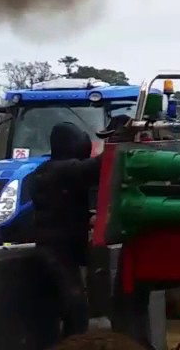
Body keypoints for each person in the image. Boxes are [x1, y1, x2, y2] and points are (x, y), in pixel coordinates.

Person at [27, 122, 104, 337]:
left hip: (54, 251)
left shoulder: (48, 170)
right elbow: (97, 167)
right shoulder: (62, 169)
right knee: (76, 311)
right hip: (58, 253)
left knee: (68, 311)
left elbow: (62, 206)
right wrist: (119, 144)